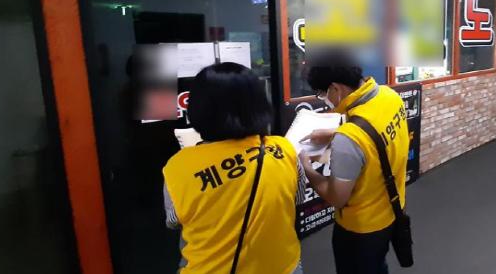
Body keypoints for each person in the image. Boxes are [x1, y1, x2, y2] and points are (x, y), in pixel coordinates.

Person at [163, 62, 305, 274]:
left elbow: (174, 220)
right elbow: (297, 199)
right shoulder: (284, 149)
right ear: (259, 106)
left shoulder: (180, 166)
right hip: (283, 267)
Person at [299, 56, 410, 274]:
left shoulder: (349, 139)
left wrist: (307, 168)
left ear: (335, 88)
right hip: (393, 209)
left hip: (360, 230)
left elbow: (336, 197)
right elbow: (375, 134)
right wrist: (335, 133)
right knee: (378, 266)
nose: (324, 100)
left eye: (322, 94)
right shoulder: (389, 96)